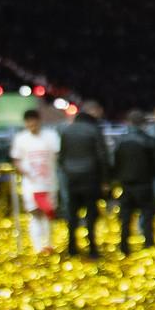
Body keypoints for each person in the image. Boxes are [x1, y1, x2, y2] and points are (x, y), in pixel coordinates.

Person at [58, 100, 109, 259]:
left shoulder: (67, 131)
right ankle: (92, 247)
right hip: (90, 177)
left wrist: (68, 171)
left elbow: (61, 156)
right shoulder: (94, 130)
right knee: (91, 213)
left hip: (72, 177)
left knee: (72, 213)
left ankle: (72, 247)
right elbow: (102, 156)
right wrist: (105, 180)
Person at [10, 108, 61, 254]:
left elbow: (57, 155)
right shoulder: (21, 138)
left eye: (34, 122)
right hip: (31, 185)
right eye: (29, 123)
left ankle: (48, 244)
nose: (31, 125)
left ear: (39, 121)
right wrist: (26, 172)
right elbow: (16, 160)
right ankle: (38, 247)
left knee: (48, 213)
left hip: (49, 183)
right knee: (35, 213)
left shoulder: (51, 136)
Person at [114, 109, 155, 253]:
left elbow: (115, 162)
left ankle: (124, 246)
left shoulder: (121, 141)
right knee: (147, 216)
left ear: (128, 122)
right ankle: (149, 244)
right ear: (143, 123)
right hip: (145, 183)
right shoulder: (149, 141)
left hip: (126, 184)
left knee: (126, 217)